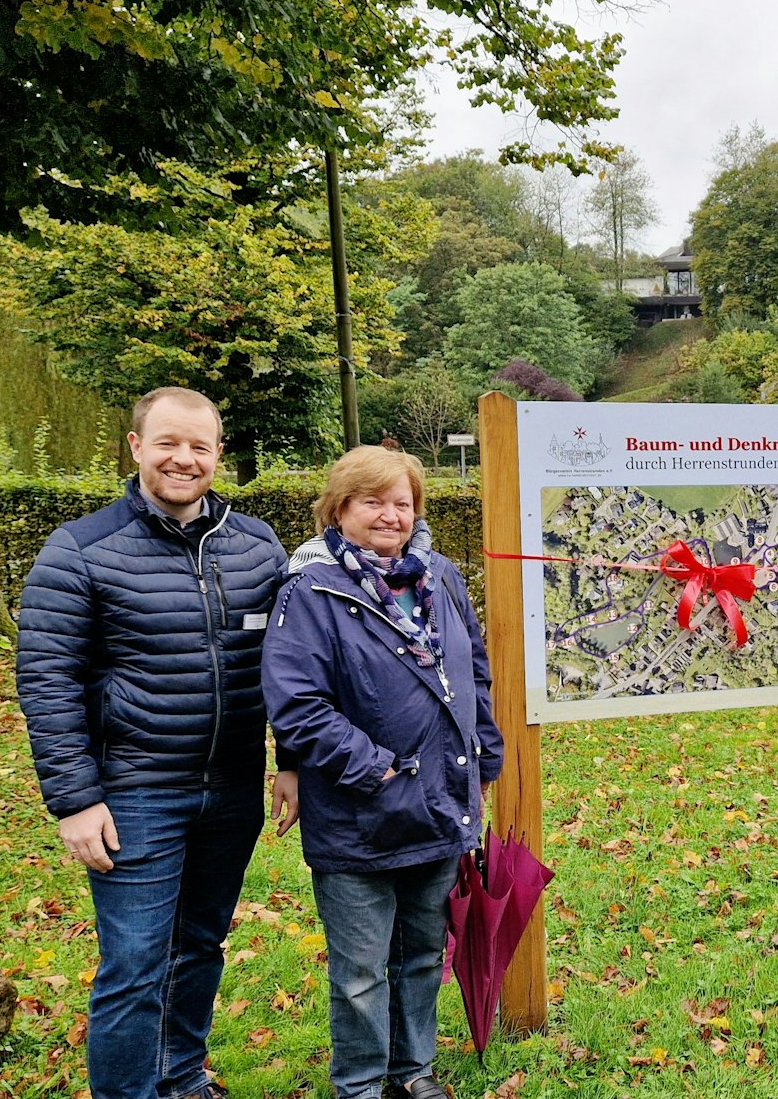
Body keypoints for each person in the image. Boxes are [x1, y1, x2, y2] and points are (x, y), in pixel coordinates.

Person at [18, 387, 288, 1099]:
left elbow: (296, 664)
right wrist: (75, 800)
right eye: (168, 442)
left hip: (232, 788)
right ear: (135, 446)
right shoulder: (80, 549)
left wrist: (289, 760)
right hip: (135, 791)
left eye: (200, 445)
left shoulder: (258, 546)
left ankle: (180, 1076)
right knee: (134, 963)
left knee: (199, 944)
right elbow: (47, 681)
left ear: (218, 455)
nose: (184, 458)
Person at [261, 446, 502, 1099]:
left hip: (438, 805)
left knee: (423, 954)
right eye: (373, 500)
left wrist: (485, 755)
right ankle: (363, 1082)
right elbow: (297, 704)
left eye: (402, 502)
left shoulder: (442, 577)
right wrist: (377, 770)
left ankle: (413, 1070)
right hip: (358, 816)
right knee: (362, 970)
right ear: (340, 508)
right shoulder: (310, 591)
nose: (390, 515)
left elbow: (473, 673)